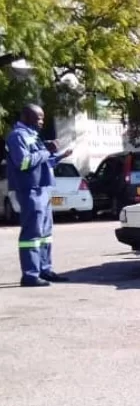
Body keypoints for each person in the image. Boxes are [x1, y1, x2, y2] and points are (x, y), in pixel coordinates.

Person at [6, 105, 72, 287]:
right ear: (26, 116)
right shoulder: (17, 136)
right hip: (30, 190)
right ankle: (30, 275)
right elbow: (24, 162)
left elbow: (42, 162)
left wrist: (57, 156)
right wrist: (46, 151)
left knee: (45, 233)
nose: (42, 122)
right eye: (38, 118)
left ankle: (45, 269)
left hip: (43, 189)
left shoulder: (32, 136)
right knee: (32, 234)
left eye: (43, 118)